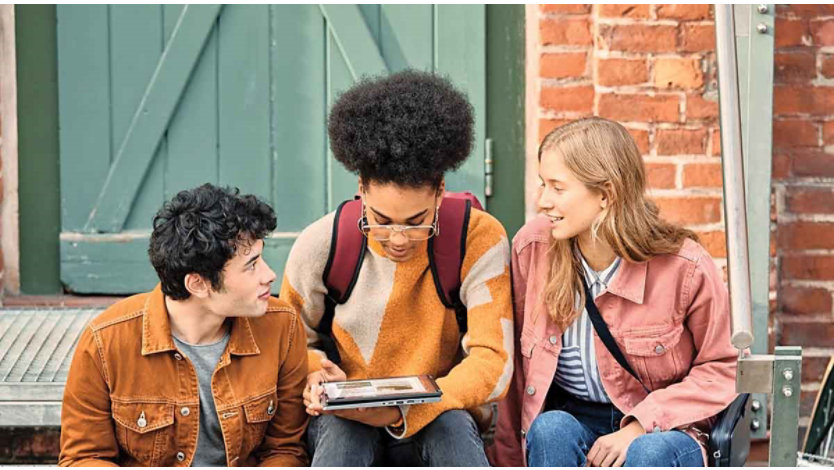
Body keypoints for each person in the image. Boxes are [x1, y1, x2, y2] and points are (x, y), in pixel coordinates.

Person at [280, 70, 514, 466]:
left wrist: (405, 411)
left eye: (417, 220)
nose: (400, 239)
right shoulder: (322, 244)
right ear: (361, 188)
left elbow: (494, 362)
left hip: (442, 412)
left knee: (452, 426)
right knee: (342, 433)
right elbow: (288, 344)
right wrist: (316, 373)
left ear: (440, 189)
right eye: (383, 221)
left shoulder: (479, 237)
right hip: (347, 417)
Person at [489, 117, 737, 467]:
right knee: (550, 429)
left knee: (647, 452)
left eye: (557, 188)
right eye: (543, 184)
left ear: (606, 194)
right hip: (573, 417)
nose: (543, 200)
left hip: (664, 429)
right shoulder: (533, 248)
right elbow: (515, 375)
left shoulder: (685, 267)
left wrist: (641, 424)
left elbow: (722, 367)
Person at [59, 184, 309, 466]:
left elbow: (285, 450)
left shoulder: (281, 326)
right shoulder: (106, 341)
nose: (269, 275)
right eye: (251, 265)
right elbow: (83, 458)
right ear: (198, 284)